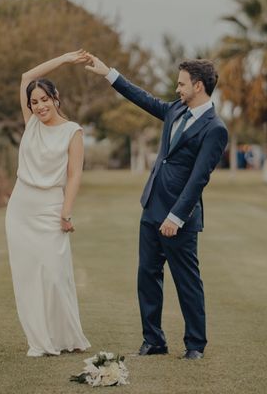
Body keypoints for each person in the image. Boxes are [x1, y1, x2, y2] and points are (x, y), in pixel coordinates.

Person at [84, 54, 228, 360]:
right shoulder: (176, 109)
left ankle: (195, 345)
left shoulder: (215, 128)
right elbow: (144, 99)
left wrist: (176, 216)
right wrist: (109, 73)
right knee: (147, 275)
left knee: (186, 281)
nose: (177, 89)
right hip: (151, 206)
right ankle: (153, 340)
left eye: (182, 84)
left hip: (180, 217)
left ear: (198, 86)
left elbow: (199, 178)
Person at [4, 50, 91, 357]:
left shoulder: (73, 132)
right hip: (20, 208)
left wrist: (66, 212)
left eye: (44, 99)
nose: (39, 106)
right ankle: (39, 341)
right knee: (27, 276)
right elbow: (26, 77)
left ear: (56, 97)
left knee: (55, 275)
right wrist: (65, 58)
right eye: (34, 102)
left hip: (52, 207)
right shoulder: (31, 125)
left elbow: (74, 174)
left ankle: (67, 337)